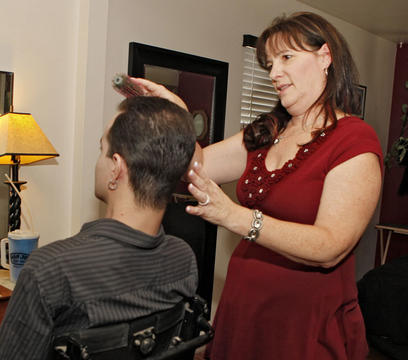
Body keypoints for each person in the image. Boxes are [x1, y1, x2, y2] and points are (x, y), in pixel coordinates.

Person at [132, 11, 382, 360]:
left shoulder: (354, 139)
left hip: (304, 322)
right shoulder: (268, 131)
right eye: (269, 64)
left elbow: (331, 247)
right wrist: (175, 114)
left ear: (325, 57)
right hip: (244, 308)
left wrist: (236, 217)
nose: (275, 73)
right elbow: (197, 166)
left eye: (286, 58)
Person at [0, 96, 199, 360]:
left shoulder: (52, 271)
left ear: (116, 168)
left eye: (101, 149)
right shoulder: (183, 258)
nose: (97, 161)